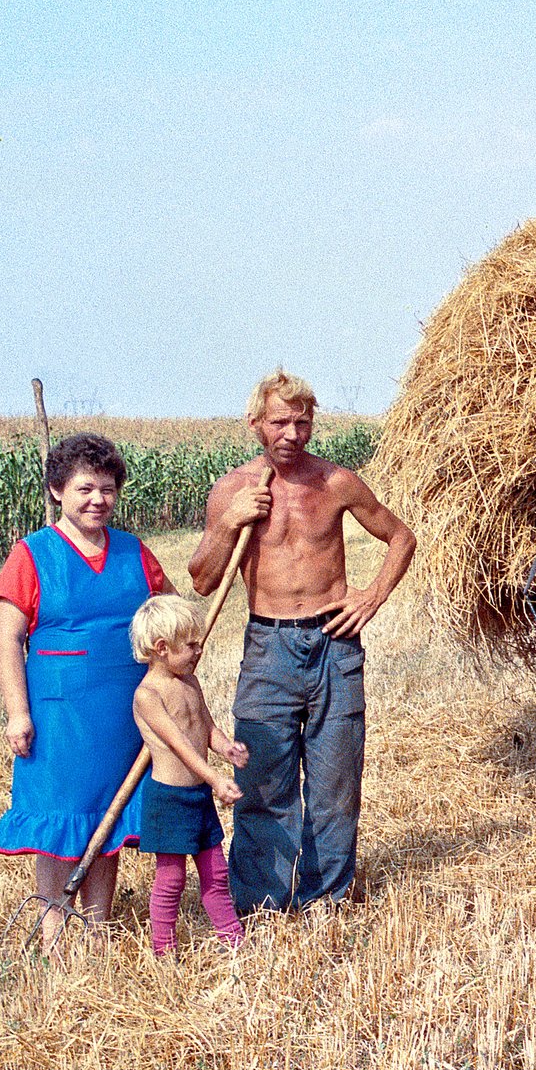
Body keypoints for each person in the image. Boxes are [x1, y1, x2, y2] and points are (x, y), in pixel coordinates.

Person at [190, 369, 417, 917]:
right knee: (263, 779)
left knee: (336, 783)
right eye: (279, 422)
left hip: (334, 646)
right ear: (255, 424)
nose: (292, 433)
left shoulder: (336, 482)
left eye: (302, 422)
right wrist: (229, 525)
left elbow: (401, 536)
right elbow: (200, 579)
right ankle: (262, 903)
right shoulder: (233, 489)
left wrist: (371, 596)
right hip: (268, 646)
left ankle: (326, 901)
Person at [0, 432, 175, 954]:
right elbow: (7, 636)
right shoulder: (33, 555)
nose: (98, 499)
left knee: (106, 813)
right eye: (84, 488)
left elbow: (171, 612)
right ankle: (54, 935)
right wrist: (17, 713)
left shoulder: (135, 552)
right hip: (58, 713)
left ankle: (97, 932)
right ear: (56, 492)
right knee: (59, 819)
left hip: (124, 710)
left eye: (108, 489)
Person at [128, 593, 249, 956]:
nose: (199, 651)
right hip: (169, 800)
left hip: (198, 797)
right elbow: (180, 745)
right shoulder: (148, 695)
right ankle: (163, 951)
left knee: (215, 873)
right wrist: (215, 779)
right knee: (171, 880)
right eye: (191, 645)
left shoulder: (189, 681)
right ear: (162, 648)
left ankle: (233, 941)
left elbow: (204, 727)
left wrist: (226, 748)